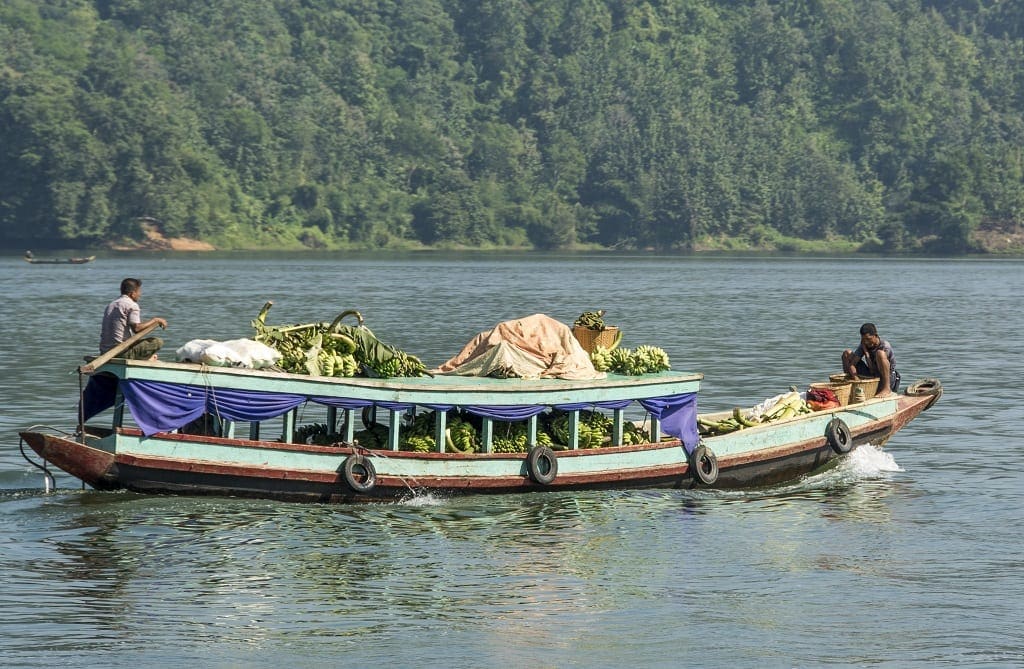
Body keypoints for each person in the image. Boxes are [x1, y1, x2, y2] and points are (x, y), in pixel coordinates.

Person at [100, 278, 168, 360]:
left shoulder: (111, 304)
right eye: (139, 292)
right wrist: (155, 320)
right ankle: (146, 358)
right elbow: (137, 328)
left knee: (138, 342)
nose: (140, 294)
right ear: (132, 293)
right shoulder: (131, 305)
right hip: (119, 353)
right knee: (157, 342)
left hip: (105, 351)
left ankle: (147, 357)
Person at [841, 322, 900, 396]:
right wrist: (856, 378)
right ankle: (850, 386)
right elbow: (852, 364)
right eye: (864, 339)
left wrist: (866, 353)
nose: (866, 342)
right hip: (872, 374)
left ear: (876, 336)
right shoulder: (864, 344)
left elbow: (872, 367)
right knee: (847, 354)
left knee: (880, 353)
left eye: (868, 339)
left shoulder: (885, 346)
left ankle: (886, 389)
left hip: (887, 377)